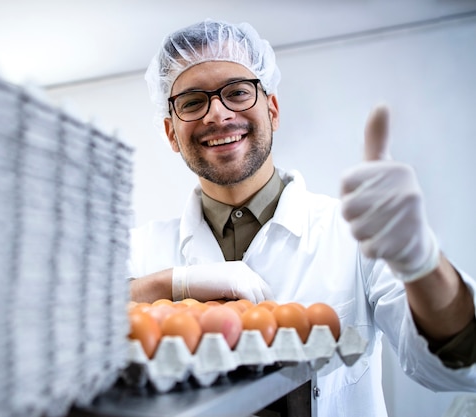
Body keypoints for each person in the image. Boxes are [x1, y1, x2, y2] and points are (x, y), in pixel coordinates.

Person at [127, 19, 476, 416]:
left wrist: (423, 263)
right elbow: (66, 333)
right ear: (171, 132)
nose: (218, 114)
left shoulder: (353, 234)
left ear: (272, 110)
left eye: (238, 92)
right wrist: (173, 283)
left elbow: (459, 366)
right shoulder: (141, 250)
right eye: (192, 101)